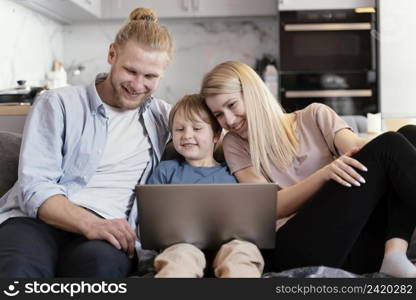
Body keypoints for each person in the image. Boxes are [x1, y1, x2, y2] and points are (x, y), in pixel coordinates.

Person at [0, 8, 173, 278]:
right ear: (112, 54)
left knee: (99, 271)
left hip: (107, 232)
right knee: (17, 270)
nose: (138, 84)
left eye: (150, 77)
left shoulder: (162, 117)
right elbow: (35, 187)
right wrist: (88, 223)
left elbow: (214, 137)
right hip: (36, 221)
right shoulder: (58, 103)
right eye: (130, 70)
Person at [201, 60, 416, 277]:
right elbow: (271, 207)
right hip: (296, 247)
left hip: (351, 245)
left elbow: (356, 147)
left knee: (408, 134)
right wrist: (324, 174)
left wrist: (390, 152)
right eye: (218, 114)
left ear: (252, 94)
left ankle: (395, 253)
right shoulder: (235, 144)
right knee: (393, 143)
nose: (228, 120)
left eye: (231, 105)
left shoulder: (314, 115)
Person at [147, 94, 264, 278]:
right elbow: (149, 220)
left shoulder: (233, 173)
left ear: (216, 135)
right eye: (179, 129)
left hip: (232, 244)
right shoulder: (166, 171)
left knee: (242, 253)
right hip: (181, 245)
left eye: (197, 128)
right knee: (180, 257)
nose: (187, 135)